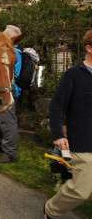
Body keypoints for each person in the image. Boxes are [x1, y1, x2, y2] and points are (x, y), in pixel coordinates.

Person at [44, 29, 92, 219]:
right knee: (81, 190)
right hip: (83, 144)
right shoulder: (74, 74)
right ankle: (51, 210)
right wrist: (58, 134)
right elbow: (57, 106)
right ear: (89, 48)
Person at [0, 25, 21, 164]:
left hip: (7, 90)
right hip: (0, 89)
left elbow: (13, 74)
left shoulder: (14, 52)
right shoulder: (6, 50)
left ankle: (10, 153)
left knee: (7, 121)